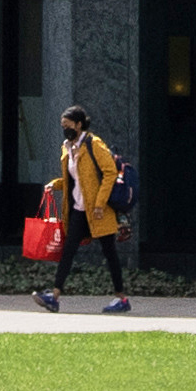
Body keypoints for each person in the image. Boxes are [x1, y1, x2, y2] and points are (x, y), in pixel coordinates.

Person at [32, 104, 133, 312]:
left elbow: (110, 173)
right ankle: (55, 296)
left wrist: (99, 204)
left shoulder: (94, 144)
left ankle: (121, 298)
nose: (65, 129)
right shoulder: (67, 147)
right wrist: (56, 184)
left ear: (79, 124)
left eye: (68, 125)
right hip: (79, 209)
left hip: (98, 210)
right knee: (68, 251)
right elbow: (77, 180)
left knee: (109, 253)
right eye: (62, 126)